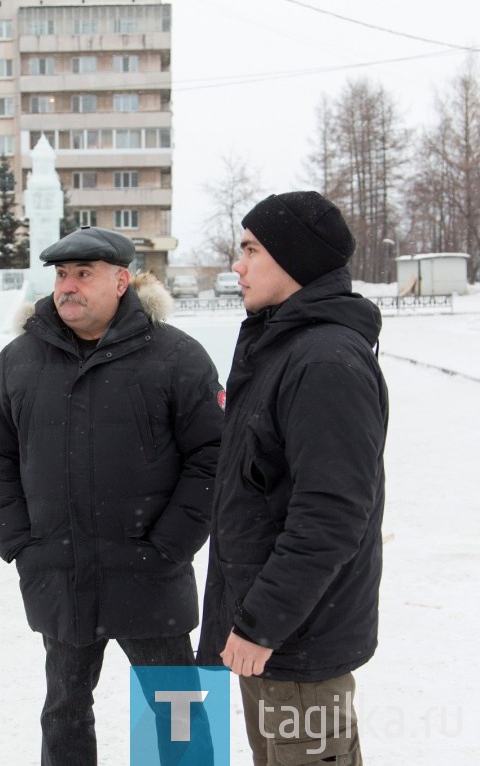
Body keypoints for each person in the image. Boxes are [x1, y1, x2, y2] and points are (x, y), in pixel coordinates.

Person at [0, 224, 225, 765]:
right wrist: (19, 538)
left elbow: (214, 455)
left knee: (178, 711)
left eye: (83, 274)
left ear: (121, 281)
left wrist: (170, 545)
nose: (68, 286)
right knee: (63, 710)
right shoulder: (20, 361)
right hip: (59, 575)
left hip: (150, 576)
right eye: (62, 274)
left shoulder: (177, 358)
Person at [197, 191, 387, 766]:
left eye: (251, 249)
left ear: (295, 259)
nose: (238, 264)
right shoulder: (283, 347)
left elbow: (329, 516)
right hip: (274, 637)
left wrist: (261, 624)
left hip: (294, 639)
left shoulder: (324, 361)